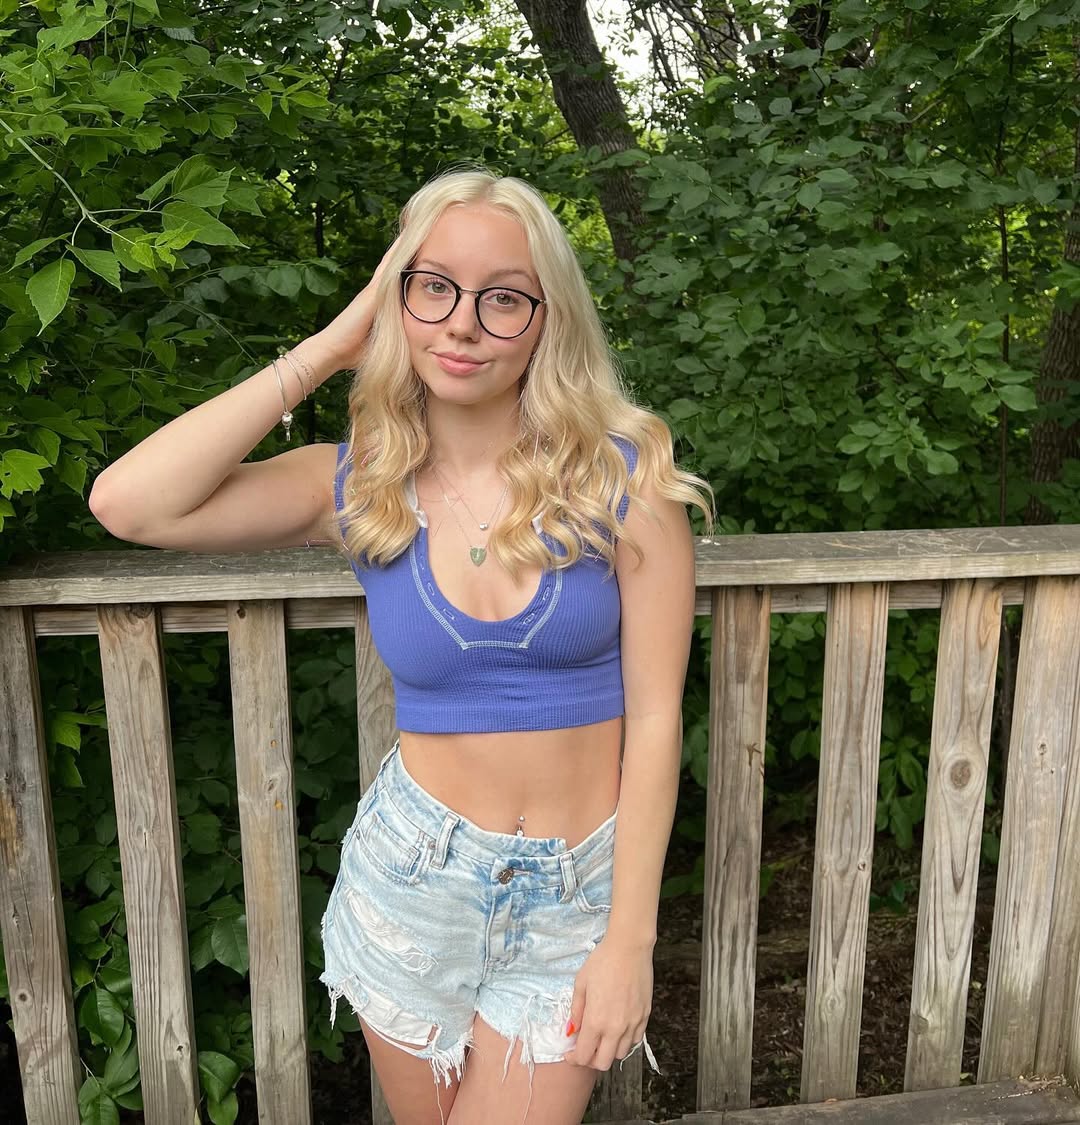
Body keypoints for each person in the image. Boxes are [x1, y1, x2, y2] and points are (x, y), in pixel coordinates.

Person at [89, 166, 713, 1125]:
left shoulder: (623, 481)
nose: (463, 324)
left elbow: (660, 715)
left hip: (575, 892)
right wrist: (333, 345)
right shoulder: (356, 486)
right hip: (413, 880)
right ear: (398, 298)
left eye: (503, 297)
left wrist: (631, 935)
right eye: (434, 288)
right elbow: (129, 504)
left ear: (547, 319)